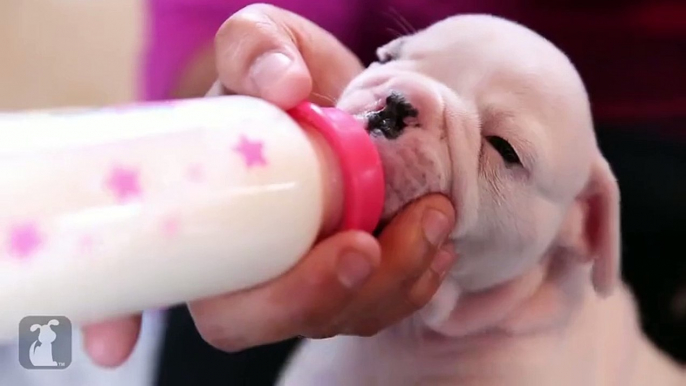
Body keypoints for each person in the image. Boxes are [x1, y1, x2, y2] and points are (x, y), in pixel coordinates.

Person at [89, 0, 686, 384]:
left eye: (501, 146)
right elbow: (220, 35)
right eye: (396, 60)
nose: (400, 104)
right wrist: (249, 115)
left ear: (585, 226)